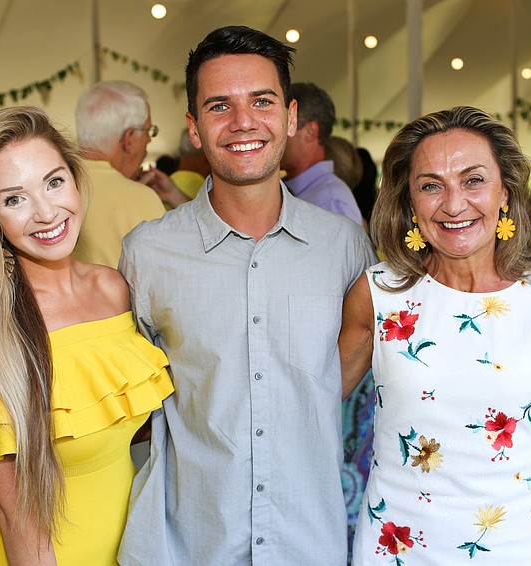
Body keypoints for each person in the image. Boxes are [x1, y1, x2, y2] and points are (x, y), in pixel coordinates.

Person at [116, 26, 377, 565]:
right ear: (194, 127)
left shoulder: (345, 247)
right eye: (219, 106)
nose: (242, 123)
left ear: (289, 115)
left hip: (309, 541)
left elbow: (361, 349)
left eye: (262, 101)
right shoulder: (148, 254)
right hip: (194, 542)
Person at [0, 107, 173, 564]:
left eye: (54, 182)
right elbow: (16, 515)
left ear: (76, 179)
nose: (47, 211)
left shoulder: (114, 289)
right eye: (15, 199)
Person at [340, 106, 531, 564]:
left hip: (514, 547)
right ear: (410, 204)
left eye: (473, 180)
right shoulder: (377, 295)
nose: (454, 205)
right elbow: (312, 402)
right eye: (431, 185)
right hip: (398, 549)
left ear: (505, 194)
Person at [73, 80, 166, 269]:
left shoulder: (53, 186)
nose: (149, 139)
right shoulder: (141, 198)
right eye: (148, 131)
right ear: (129, 139)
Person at [280, 82, 364, 226]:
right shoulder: (296, 192)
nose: (276, 135)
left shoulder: (330, 202)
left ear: (310, 132)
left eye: (286, 126)